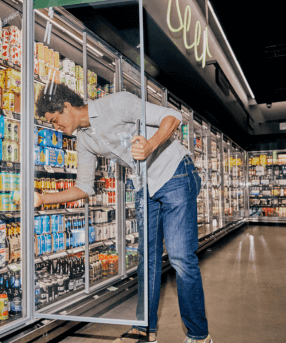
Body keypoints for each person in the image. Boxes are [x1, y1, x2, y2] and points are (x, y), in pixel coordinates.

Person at [34, 83, 212, 343]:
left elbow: (172, 117)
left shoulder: (114, 104)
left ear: (66, 107)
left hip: (175, 172)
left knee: (180, 257)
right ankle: (144, 329)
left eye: (55, 120)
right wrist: (41, 199)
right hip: (145, 185)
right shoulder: (84, 139)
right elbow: (83, 187)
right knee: (146, 259)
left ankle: (199, 335)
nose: (56, 126)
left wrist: (150, 145)